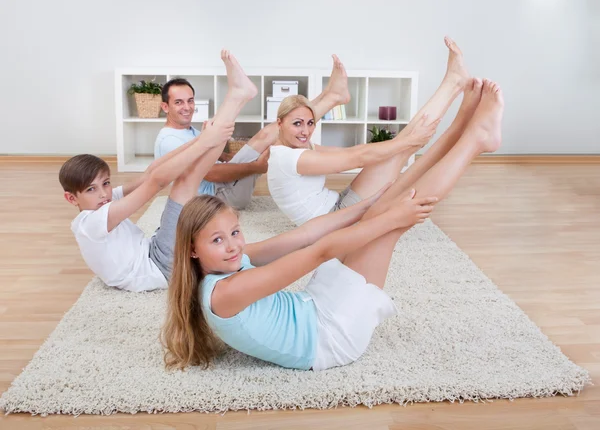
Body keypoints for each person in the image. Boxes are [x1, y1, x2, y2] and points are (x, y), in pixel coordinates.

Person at [161, 78, 504, 371]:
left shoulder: (226, 264)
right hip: (330, 336)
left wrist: (369, 206)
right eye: (218, 240)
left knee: (384, 205)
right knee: (393, 222)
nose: (233, 245)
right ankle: (475, 140)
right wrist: (390, 218)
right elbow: (318, 251)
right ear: (192, 249)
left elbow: (304, 235)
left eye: (234, 232)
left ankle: (461, 126)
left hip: (313, 306)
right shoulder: (226, 291)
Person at [59, 50, 258, 292]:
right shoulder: (90, 222)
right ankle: (236, 98)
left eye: (106, 184)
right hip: (160, 267)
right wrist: (206, 141)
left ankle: (237, 96)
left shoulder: (103, 203)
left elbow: (149, 173)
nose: (103, 194)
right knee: (186, 180)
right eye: (91, 189)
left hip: (153, 250)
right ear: (72, 198)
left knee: (188, 176)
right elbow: (155, 183)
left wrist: (203, 140)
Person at [267, 37, 471, 226]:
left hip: (338, 206)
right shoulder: (289, 158)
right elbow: (356, 158)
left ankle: (453, 84)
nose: (305, 131)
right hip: (334, 223)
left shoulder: (292, 148)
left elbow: (346, 153)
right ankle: (453, 84)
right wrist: (407, 142)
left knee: (403, 146)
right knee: (403, 146)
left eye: (310, 123)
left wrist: (406, 142)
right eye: (297, 124)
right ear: (279, 123)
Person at [154, 77, 275, 210]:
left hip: (222, 187)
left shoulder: (187, 131)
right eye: (179, 102)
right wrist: (256, 167)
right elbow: (211, 173)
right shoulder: (169, 140)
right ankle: (237, 95)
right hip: (217, 198)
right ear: (165, 107)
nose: (187, 107)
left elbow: (207, 154)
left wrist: (227, 157)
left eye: (190, 101)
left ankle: (239, 93)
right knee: (267, 135)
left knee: (268, 134)